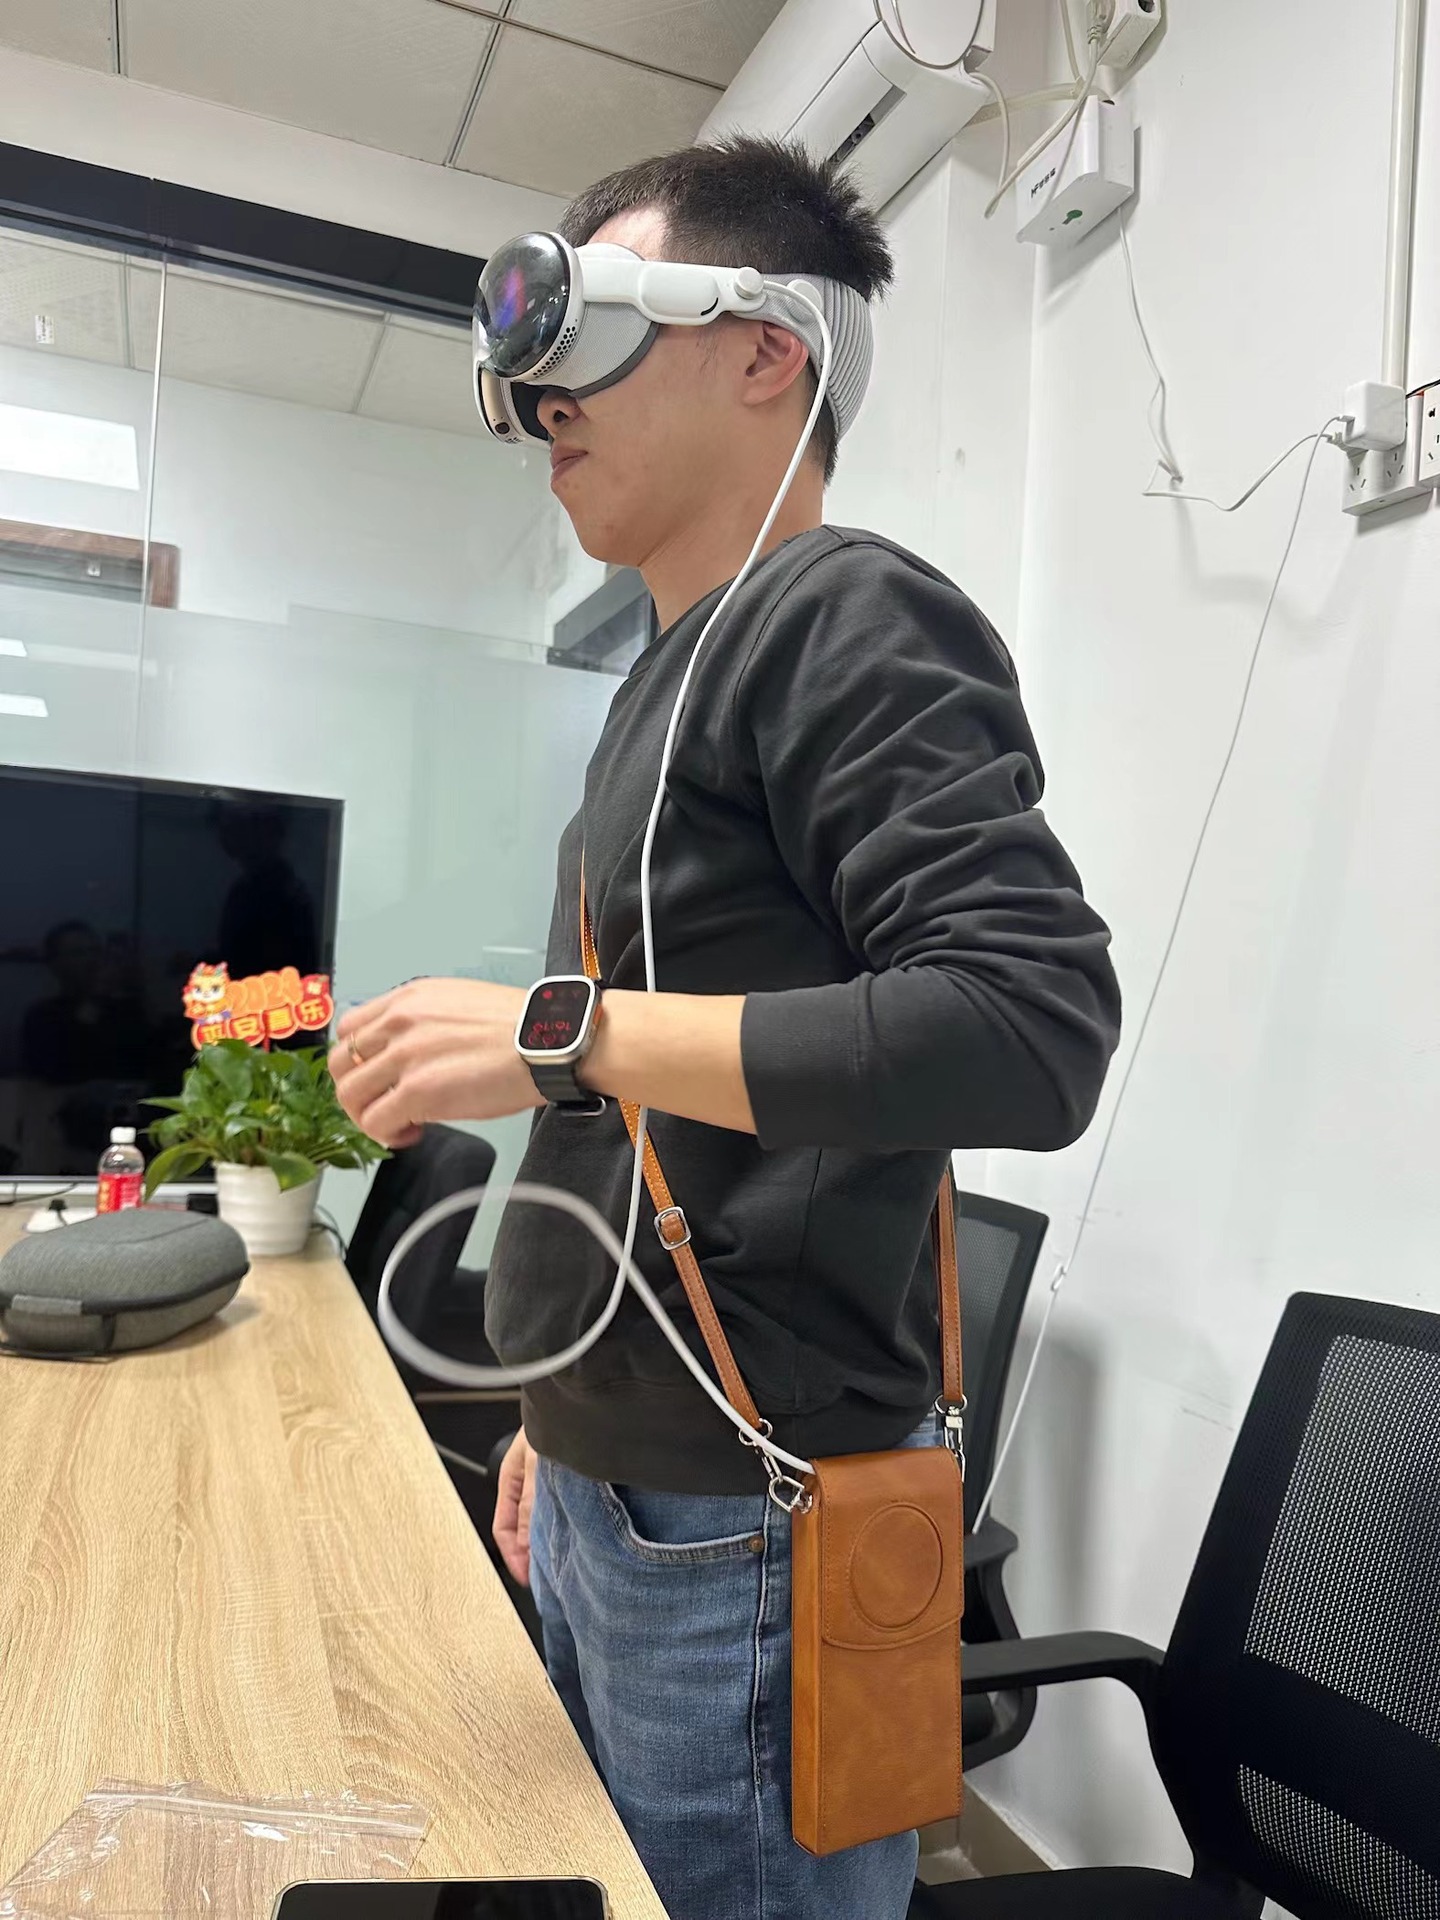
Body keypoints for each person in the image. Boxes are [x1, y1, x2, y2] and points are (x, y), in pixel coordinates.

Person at [332, 137, 1121, 1920]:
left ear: (771, 350)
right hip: (622, 1474)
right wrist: (562, 1417)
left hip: (742, 1524)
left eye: (593, 340)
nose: (547, 409)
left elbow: (1030, 1019)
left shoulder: (840, 613)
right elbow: (645, 1131)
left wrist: (563, 1034)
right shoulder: (660, 683)